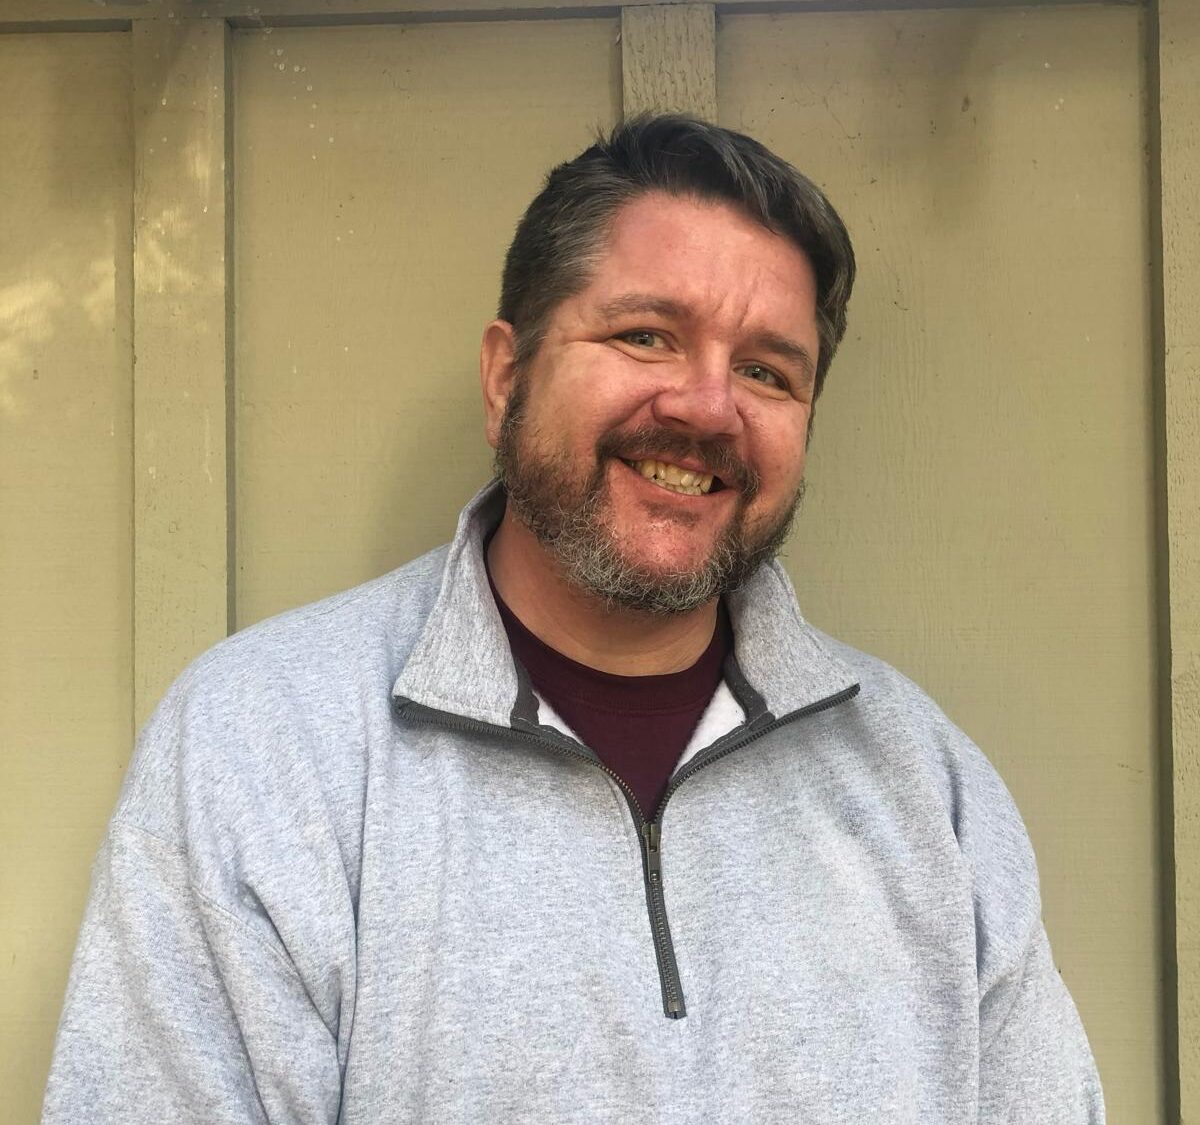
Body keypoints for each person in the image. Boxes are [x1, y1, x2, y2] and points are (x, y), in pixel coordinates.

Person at [43, 115, 1105, 1123]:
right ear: (507, 377)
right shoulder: (264, 747)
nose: (705, 407)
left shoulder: (928, 785)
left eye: (766, 371)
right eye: (647, 335)